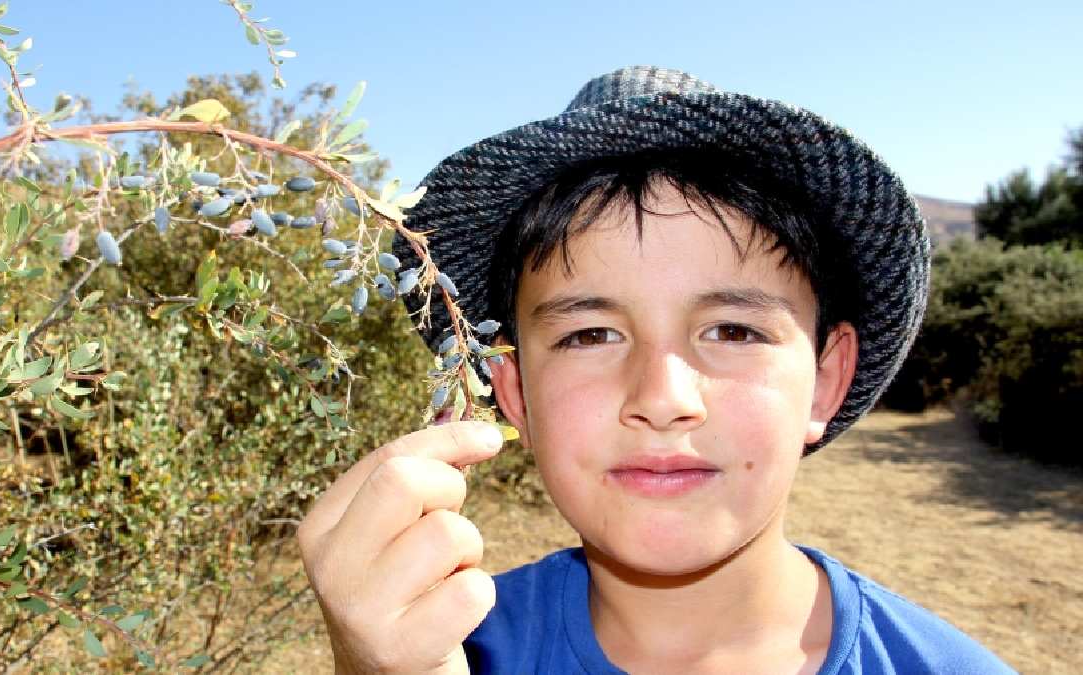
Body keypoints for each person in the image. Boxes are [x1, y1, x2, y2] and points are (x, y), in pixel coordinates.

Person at [297, 66, 1016, 674]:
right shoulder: (441, 650)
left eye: (733, 329)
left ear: (825, 380)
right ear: (513, 391)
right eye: (590, 334)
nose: (664, 398)